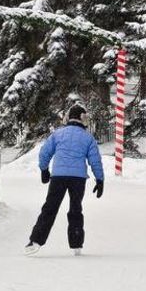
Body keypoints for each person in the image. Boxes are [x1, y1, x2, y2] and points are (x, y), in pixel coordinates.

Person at [25, 104, 104, 256]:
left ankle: (35, 240)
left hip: (58, 177)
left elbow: (44, 153)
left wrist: (44, 169)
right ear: (83, 119)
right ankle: (76, 243)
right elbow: (95, 161)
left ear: (68, 118)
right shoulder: (88, 138)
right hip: (78, 179)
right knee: (75, 209)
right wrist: (100, 180)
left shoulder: (57, 134)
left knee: (50, 208)